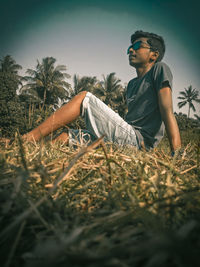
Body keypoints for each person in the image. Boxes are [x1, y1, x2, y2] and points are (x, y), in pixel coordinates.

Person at [23, 30, 181, 154]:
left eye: (138, 46)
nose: (131, 50)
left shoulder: (160, 69)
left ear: (154, 54)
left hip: (139, 142)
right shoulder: (132, 84)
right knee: (67, 136)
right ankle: (34, 155)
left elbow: (167, 110)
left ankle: (28, 139)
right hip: (125, 136)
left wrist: (177, 152)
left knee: (84, 98)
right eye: (129, 47)